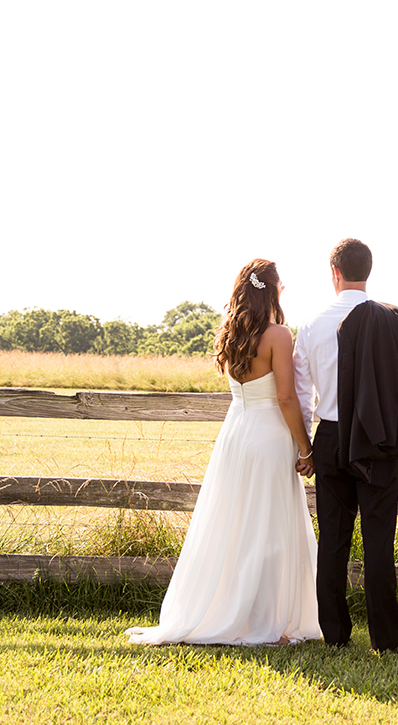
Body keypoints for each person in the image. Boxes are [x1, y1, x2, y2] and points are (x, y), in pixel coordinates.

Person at [126, 259, 321, 646]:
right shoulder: (278, 335)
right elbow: (285, 397)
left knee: (235, 526)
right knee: (269, 531)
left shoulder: (232, 334)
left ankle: (239, 612)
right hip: (268, 437)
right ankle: (267, 622)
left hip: (235, 435)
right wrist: (306, 447)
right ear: (274, 290)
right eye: (281, 287)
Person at [293, 239, 398, 654]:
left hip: (331, 437)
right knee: (378, 540)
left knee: (332, 539)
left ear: (333, 272)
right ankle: (386, 640)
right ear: (367, 271)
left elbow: (302, 396)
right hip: (379, 440)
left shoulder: (311, 324)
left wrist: (306, 448)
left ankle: (335, 634)